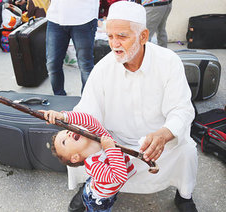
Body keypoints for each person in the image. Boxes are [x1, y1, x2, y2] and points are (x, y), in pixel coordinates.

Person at [66, 2, 198, 212]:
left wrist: (164, 134)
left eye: (122, 36)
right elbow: (87, 109)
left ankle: (184, 195)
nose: (114, 44)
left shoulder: (168, 61)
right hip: (113, 145)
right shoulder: (103, 69)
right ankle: (90, 187)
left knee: (187, 149)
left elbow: (182, 109)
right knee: (79, 138)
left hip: (158, 146)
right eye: (110, 37)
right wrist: (72, 125)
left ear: (143, 36)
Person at [43, 110, 136, 211]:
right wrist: (110, 149)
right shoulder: (94, 165)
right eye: (64, 142)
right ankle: (83, 199)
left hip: (106, 184)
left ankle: (86, 189)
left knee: (94, 183)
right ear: (75, 157)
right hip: (99, 200)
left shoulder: (99, 135)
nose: (69, 134)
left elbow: (89, 120)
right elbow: (120, 176)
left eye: (67, 131)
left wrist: (63, 116)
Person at [46, 0, 99, 95]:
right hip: (55, 18)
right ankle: (59, 98)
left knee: (85, 65)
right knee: (52, 64)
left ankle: (87, 102)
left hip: (84, 18)